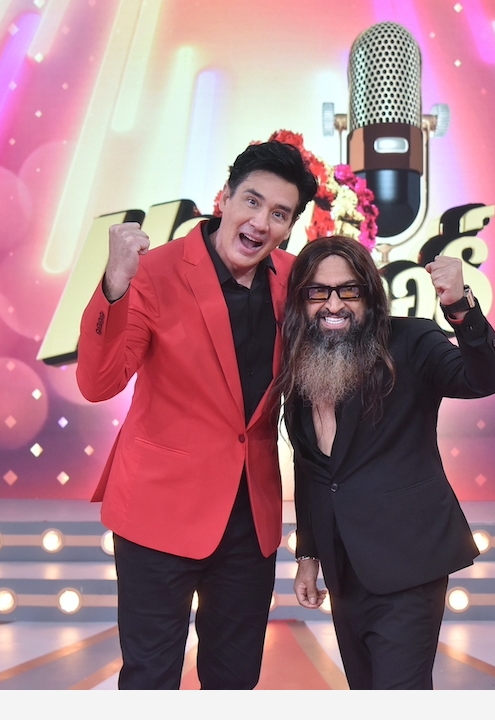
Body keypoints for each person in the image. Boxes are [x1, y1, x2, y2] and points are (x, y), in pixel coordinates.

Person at [75, 140, 318, 689]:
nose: (260, 222)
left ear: (289, 227)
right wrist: (114, 285)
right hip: (158, 508)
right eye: (251, 201)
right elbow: (98, 383)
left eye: (279, 214)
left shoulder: (295, 280)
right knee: (151, 678)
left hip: (250, 517)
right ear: (224, 197)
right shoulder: (153, 271)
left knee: (235, 679)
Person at [279, 235, 495, 690]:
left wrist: (460, 305)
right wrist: (309, 554)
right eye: (318, 292)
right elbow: (313, 470)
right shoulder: (302, 358)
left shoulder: (412, 339)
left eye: (348, 290)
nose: (333, 305)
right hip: (344, 568)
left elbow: (485, 378)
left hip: (409, 561)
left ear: (369, 292)